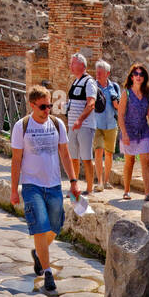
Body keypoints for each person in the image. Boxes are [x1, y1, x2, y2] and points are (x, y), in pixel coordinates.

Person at [10, 83, 81, 294]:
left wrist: (74, 181)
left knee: (56, 225)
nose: (47, 110)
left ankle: (39, 253)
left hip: (53, 184)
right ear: (32, 105)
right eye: (42, 107)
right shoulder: (21, 126)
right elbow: (16, 160)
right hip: (32, 185)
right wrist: (14, 190)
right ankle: (47, 272)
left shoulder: (58, 125)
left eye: (49, 106)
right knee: (40, 226)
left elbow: (65, 155)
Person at [118, 63, 149, 200]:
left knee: (146, 160)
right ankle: (126, 190)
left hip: (143, 130)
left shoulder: (147, 93)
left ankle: (148, 192)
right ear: (132, 77)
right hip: (129, 131)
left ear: (144, 77)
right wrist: (124, 133)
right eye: (136, 74)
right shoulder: (126, 93)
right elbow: (121, 115)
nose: (138, 76)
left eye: (141, 74)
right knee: (130, 161)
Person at [65, 53, 97, 195]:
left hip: (84, 126)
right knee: (73, 157)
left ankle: (90, 188)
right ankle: (75, 187)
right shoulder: (75, 81)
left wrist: (80, 120)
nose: (70, 66)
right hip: (73, 125)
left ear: (82, 65)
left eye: (73, 63)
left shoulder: (89, 82)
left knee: (86, 157)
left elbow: (91, 103)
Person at [92, 59, 121, 190]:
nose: (97, 74)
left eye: (100, 72)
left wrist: (116, 101)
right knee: (98, 152)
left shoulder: (114, 87)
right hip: (96, 124)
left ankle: (107, 180)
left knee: (109, 153)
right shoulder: (92, 86)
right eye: (97, 72)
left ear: (107, 73)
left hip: (111, 124)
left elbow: (120, 107)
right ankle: (100, 182)